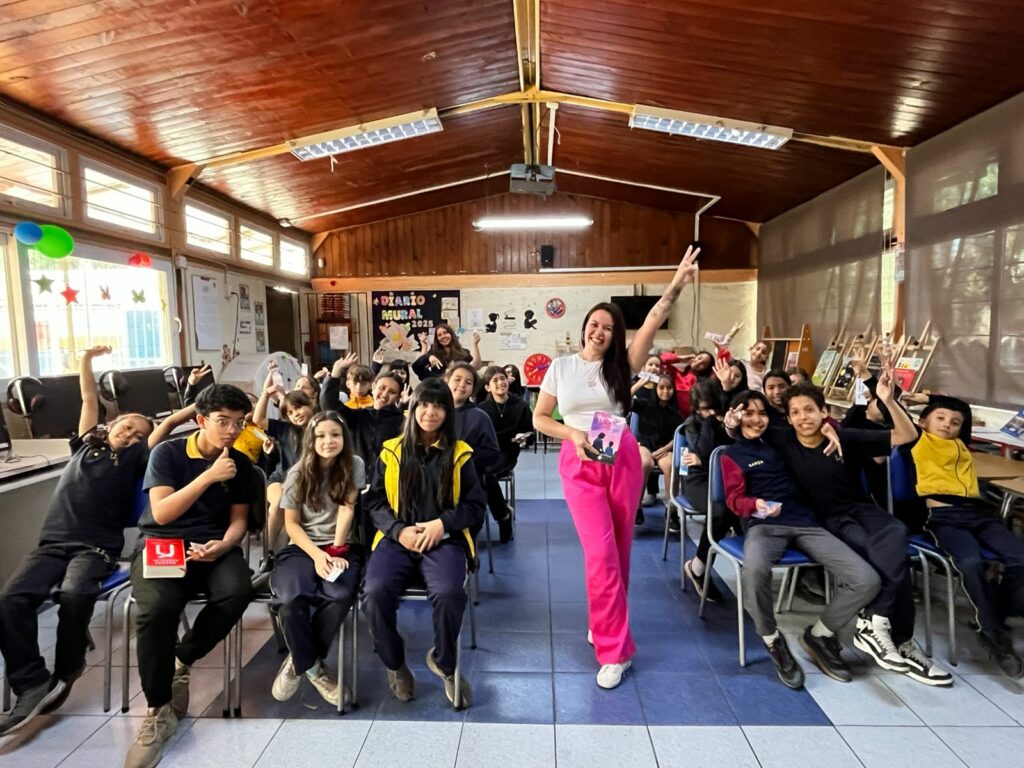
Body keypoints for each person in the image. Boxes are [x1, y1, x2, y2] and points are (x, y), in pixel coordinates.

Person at [533, 245, 700, 690]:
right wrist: (573, 435)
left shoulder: (623, 365)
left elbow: (654, 318)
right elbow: (540, 418)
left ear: (615, 335)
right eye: (595, 324)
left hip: (619, 452)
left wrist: (676, 284)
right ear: (584, 327)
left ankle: (604, 622)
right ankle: (615, 652)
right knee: (600, 553)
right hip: (579, 460)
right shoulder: (561, 367)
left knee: (619, 550)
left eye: (608, 327)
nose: (600, 331)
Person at [0, 347, 187, 736]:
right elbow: (89, 398)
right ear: (109, 425)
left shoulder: (137, 459)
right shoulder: (85, 444)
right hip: (51, 543)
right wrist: (86, 361)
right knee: (10, 600)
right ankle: (32, 682)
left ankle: (67, 669)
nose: (130, 434)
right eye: (126, 427)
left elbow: (167, 427)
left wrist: (200, 406)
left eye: (139, 434)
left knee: (74, 594)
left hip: (95, 547)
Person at [777, 380, 951, 686]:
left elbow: (907, 435)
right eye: (796, 412)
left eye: (810, 410)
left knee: (896, 532)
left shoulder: (845, 436)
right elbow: (741, 429)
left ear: (824, 411)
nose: (803, 417)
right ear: (789, 419)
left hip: (858, 507)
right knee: (884, 554)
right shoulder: (785, 440)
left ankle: (877, 620)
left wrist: (888, 400)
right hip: (825, 519)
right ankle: (900, 639)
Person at [124, 384, 256, 768]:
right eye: (223, 422)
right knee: (157, 611)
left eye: (239, 422)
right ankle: (157, 709)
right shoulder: (167, 453)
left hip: (212, 548)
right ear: (201, 420)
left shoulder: (240, 464)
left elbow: (238, 521)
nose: (232, 430)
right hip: (162, 545)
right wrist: (209, 476)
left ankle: (182, 659)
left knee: (237, 591)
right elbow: (162, 513)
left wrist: (225, 545)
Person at [720, 390, 881, 689]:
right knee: (754, 571)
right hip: (763, 525)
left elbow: (811, 425)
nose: (756, 419)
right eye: (748, 413)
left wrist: (830, 425)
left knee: (866, 579)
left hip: (805, 523)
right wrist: (756, 505)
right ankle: (772, 638)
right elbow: (733, 500)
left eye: (762, 413)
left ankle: (820, 634)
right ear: (736, 416)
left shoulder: (781, 442)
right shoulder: (731, 454)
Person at [362, 379, 486, 707]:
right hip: (396, 539)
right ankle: (394, 662)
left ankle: (444, 662)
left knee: (448, 592)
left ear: (448, 412)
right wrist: (398, 530)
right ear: (412, 408)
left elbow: (475, 506)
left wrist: (442, 524)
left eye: (439, 406)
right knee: (374, 592)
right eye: (424, 405)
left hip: (445, 540)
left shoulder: (460, 454)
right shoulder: (391, 451)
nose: (430, 412)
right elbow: (374, 502)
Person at [898, 395, 1024, 679]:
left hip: (977, 515)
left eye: (954, 423)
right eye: (940, 418)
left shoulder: (959, 444)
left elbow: (963, 408)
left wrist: (932, 398)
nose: (947, 425)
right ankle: (994, 634)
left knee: (1020, 557)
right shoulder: (917, 441)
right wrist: (920, 399)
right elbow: (902, 420)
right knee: (970, 562)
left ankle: (997, 609)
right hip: (943, 518)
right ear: (923, 422)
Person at [271, 411, 365, 707]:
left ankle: (299, 657)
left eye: (335, 435)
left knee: (339, 595)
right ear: (310, 440)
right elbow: (292, 525)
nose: (328, 441)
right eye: (321, 436)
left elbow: (347, 508)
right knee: (291, 600)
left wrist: (335, 551)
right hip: (303, 546)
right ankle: (312, 668)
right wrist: (317, 554)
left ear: (344, 438)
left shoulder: (354, 464)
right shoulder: (297, 473)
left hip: (341, 544)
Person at [680, 379, 734, 601]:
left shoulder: (727, 423)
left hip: (725, 477)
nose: (710, 413)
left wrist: (703, 459)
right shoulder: (692, 424)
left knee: (736, 509)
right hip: (698, 480)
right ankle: (698, 568)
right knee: (719, 511)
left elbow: (733, 451)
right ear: (696, 408)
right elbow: (703, 450)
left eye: (713, 408)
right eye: (705, 409)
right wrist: (710, 423)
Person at [254, 378, 315, 552]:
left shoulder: (321, 427)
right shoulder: (284, 428)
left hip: (309, 482)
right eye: (290, 412)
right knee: (280, 500)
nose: (296, 414)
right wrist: (265, 394)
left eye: (299, 407)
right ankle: (267, 554)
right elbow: (258, 419)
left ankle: (293, 551)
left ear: (311, 404)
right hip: (281, 480)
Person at [477, 366, 534, 543]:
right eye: (495, 380)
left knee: (486, 474)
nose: (500, 382)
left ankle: (502, 517)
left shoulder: (521, 406)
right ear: (487, 387)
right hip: (486, 453)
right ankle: (496, 514)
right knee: (474, 473)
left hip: (507, 454)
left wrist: (525, 438)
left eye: (502, 378)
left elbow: (531, 433)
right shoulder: (482, 409)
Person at [632, 373, 683, 526]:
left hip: (664, 448)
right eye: (661, 387)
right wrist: (640, 383)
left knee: (669, 465)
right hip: (645, 446)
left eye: (669, 388)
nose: (665, 391)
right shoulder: (645, 404)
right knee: (644, 463)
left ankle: (672, 510)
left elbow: (678, 434)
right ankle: (636, 508)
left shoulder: (676, 411)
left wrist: (665, 448)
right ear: (655, 388)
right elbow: (624, 401)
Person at [412, 325, 480, 381]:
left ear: (451, 334)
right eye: (439, 335)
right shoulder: (433, 353)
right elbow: (419, 365)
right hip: (440, 387)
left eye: (445, 333)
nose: (443, 336)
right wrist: (425, 348)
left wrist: (475, 344)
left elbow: (475, 366)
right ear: (437, 339)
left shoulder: (463, 352)